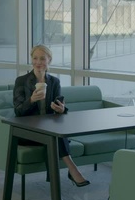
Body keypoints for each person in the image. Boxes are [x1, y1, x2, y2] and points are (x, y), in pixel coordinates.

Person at [13, 44, 90, 187]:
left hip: (48, 128)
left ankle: (56, 186)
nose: (38, 62)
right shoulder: (21, 81)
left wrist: (61, 109)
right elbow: (18, 111)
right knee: (55, 136)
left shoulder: (54, 82)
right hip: (27, 130)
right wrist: (31, 100)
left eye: (42, 58)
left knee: (54, 135)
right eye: (35, 58)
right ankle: (72, 171)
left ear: (49, 60)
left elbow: (59, 105)